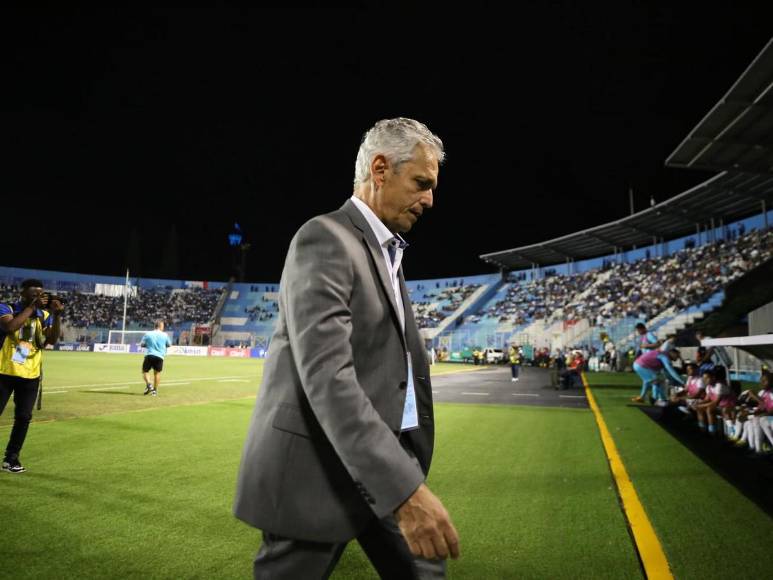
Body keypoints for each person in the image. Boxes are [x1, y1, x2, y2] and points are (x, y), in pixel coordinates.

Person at [234, 118, 459, 579]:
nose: (430, 200)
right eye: (421, 183)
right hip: (315, 472)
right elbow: (328, 377)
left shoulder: (386, 253)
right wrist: (406, 490)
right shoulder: (325, 239)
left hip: (379, 463)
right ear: (380, 169)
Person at [0, 279, 63, 473]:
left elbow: (51, 340)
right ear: (23, 293)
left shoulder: (44, 315)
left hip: (31, 373)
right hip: (4, 371)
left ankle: (11, 458)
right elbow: (10, 327)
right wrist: (30, 308)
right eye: (34, 293)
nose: (39, 297)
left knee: (24, 416)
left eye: (41, 294)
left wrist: (56, 315)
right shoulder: (6, 307)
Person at [140, 320, 171, 396]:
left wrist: (149, 345)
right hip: (160, 356)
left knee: (145, 371)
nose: (163, 327)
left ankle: (149, 385)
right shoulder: (165, 335)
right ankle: (155, 391)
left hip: (150, 354)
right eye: (163, 325)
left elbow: (142, 344)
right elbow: (169, 344)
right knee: (157, 373)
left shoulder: (148, 334)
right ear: (160, 326)